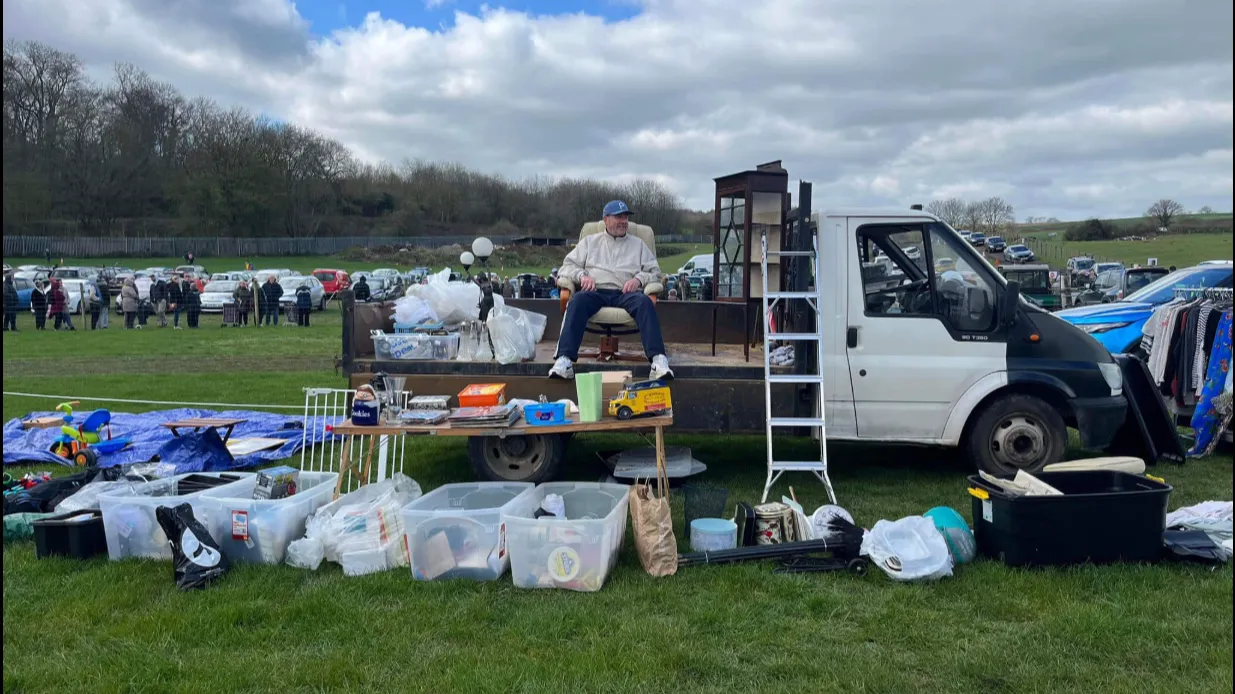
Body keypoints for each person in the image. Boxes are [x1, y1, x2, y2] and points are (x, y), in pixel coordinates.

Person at [550, 200, 672, 380]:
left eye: (626, 218)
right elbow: (566, 268)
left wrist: (638, 279)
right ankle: (564, 360)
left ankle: (658, 361)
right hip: (595, 291)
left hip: (626, 293)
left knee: (645, 302)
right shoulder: (589, 242)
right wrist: (582, 276)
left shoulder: (638, 245)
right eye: (618, 217)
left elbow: (655, 273)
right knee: (576, 301)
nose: (623, 221)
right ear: (606, 220)